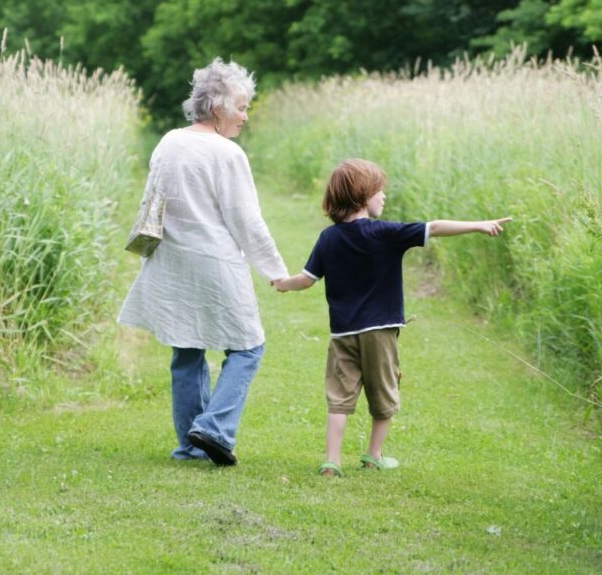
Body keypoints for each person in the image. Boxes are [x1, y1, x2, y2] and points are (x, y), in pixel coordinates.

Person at [273, 158, 511, 477]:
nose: (383, 196)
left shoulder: (328, 239)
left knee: (339, 397)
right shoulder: (385, 233)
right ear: (361, 195)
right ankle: (373, 455)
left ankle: (332, 461)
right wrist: (478, 224)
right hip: (381, 333)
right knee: (385, 392)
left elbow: (305, 279)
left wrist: (283, 285)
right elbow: (435, 227)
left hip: (343, 334)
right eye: (378, 190)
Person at [118, 58, 288, 467]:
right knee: (248, 346)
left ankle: (192, 446)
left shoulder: (168, 142)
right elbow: (246, 221)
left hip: (172, 262)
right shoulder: (227, 154)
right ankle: (212, 429)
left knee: (188, 351)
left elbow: (151, 206)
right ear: (217, 107)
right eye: (242, 107)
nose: (245, 116)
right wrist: (278, 273)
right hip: (215, 262)